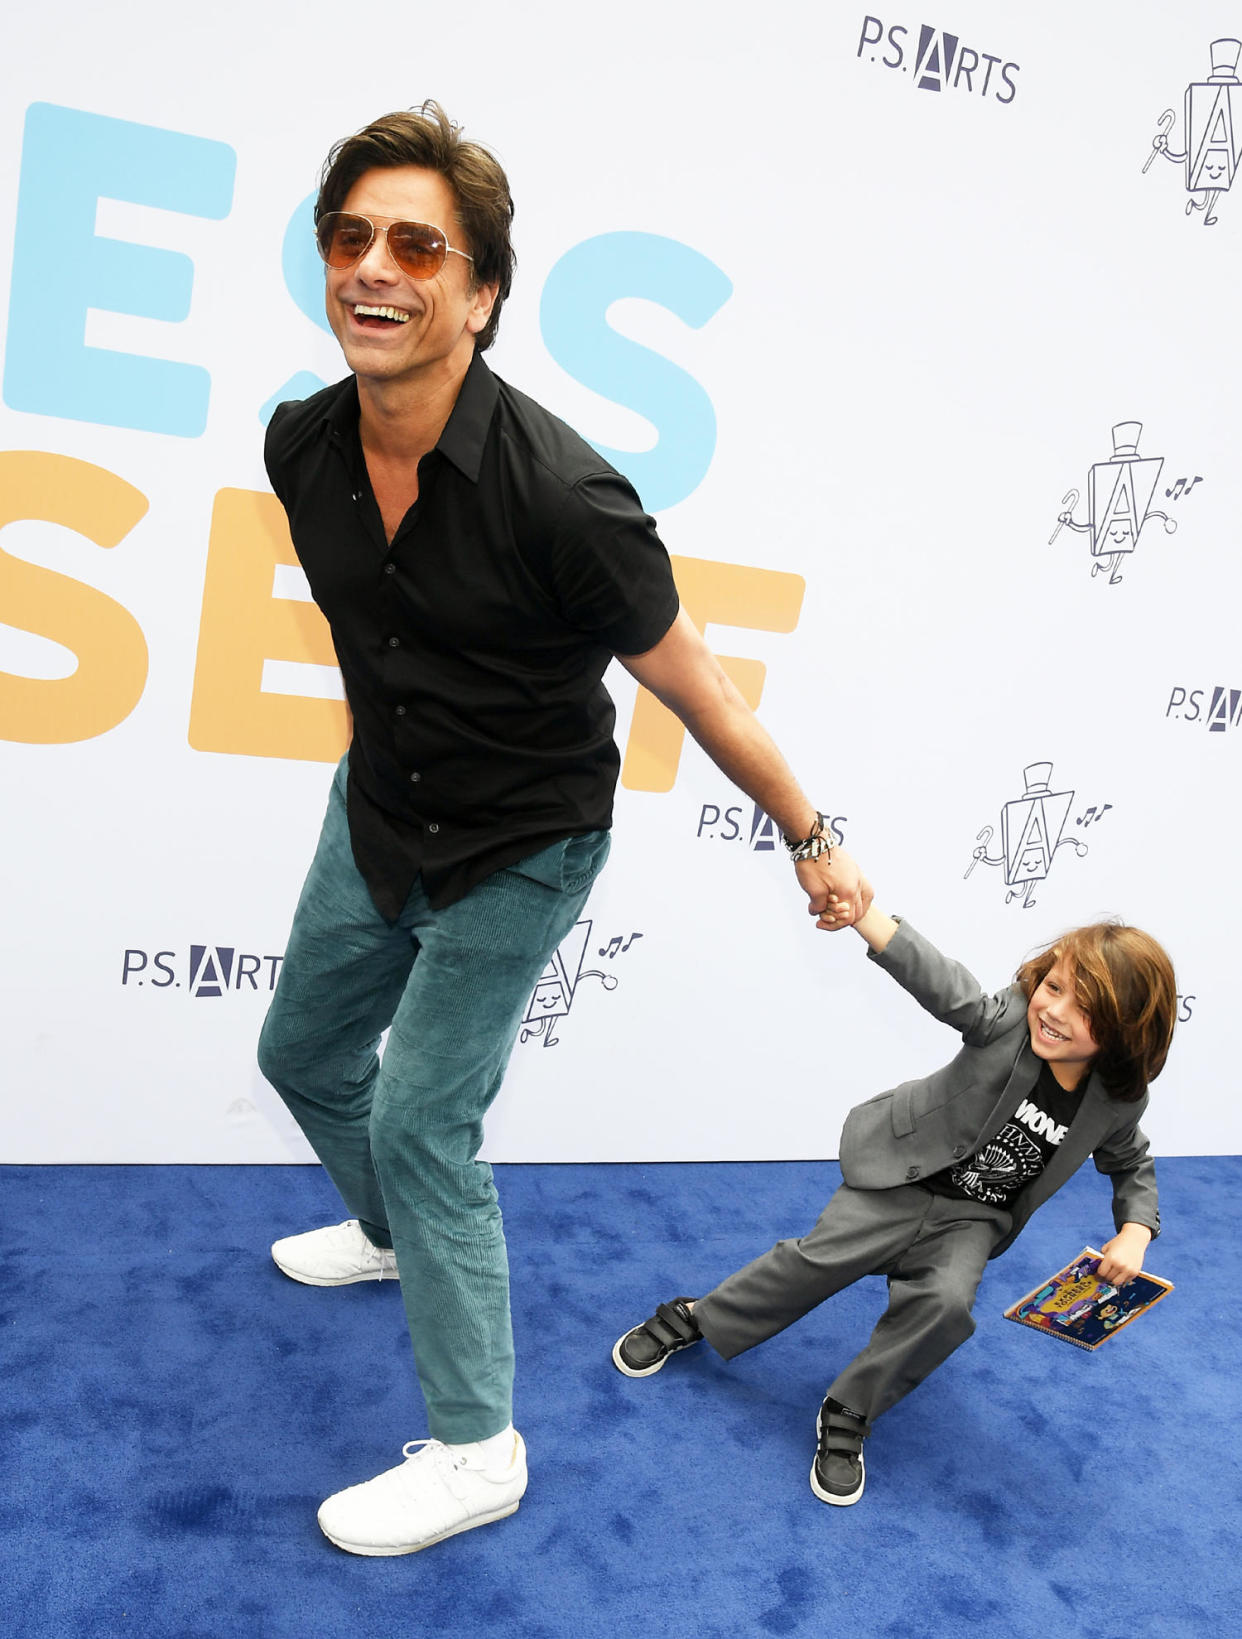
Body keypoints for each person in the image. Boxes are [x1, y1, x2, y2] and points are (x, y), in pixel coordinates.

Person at [256, 101, 870, 1557]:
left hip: (521, 844)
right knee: (298, 1053)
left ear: (477, 292)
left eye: (418, 244)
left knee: (422, 1117)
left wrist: (810, 834)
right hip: (380, 809)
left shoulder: (564, 494)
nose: (374, 268)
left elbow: (701, 689)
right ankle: (396, 1234)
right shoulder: (303, 444)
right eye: (349, 238)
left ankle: (478, 1449)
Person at [612, 898, 1176, 1507]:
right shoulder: (1010, 1020)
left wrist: (1136, 1230)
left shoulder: (1118, 1100)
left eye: (1082, 1008)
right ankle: (703, 1315)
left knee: (946, 1305)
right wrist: (862, 913)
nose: (1054, 1010)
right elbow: (940, 982)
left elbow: (1131, 1161)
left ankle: (851, 1407)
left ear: (1124, 1032)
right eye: (1053, 985)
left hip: (973, 1219)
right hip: (900, 1177)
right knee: (815, 1261)